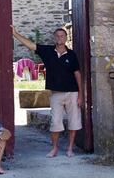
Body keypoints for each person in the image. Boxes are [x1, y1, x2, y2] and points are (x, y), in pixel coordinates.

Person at [12, 25, 82, 157]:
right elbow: (31, 45)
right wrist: (15, 34)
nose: (60, 38)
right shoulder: (48, 51)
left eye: (62, 36)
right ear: (54, 38)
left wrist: (81, 95)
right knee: (55, 122)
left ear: (66, 38)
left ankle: (70, 149)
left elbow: (77, 74)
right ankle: (54, 148)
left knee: (74, 121)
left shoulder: (72, 55)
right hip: (55, 93)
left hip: (72, 92)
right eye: (57, 36)